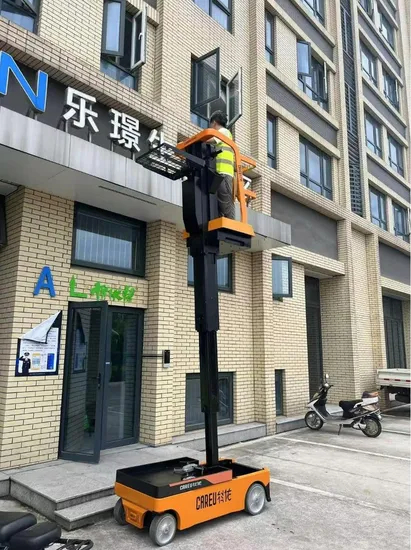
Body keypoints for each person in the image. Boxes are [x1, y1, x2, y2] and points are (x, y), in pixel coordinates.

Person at [208, 111, 235, 219]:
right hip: (221, 172)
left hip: (225, 171)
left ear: (214, 122)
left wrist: (199, 139)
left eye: (211, 125)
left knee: (226, 200)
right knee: (220, 201)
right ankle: (222, 221)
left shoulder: (224, 132)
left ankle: (230, 223)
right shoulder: (224, 133)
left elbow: (211, 140)